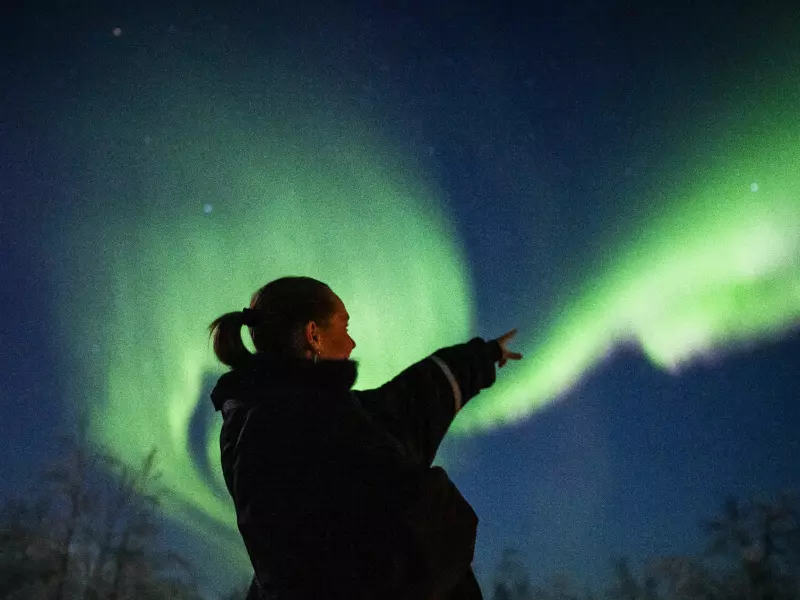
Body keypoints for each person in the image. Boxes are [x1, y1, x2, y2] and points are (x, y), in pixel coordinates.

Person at [208, 276, 522, 599]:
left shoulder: (308, 413)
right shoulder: (281, 428)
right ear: (313, 334)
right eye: (344, 327)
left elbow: (409, 400)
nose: (352, 343)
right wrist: (445, 518)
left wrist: (483, 357)